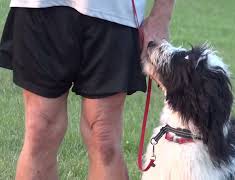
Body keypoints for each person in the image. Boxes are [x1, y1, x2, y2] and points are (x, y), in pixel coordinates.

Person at [0, 0, 175, 179]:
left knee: (104, 138)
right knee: (40, 131)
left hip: (116, 12)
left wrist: (161, 17)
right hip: (40, 6)